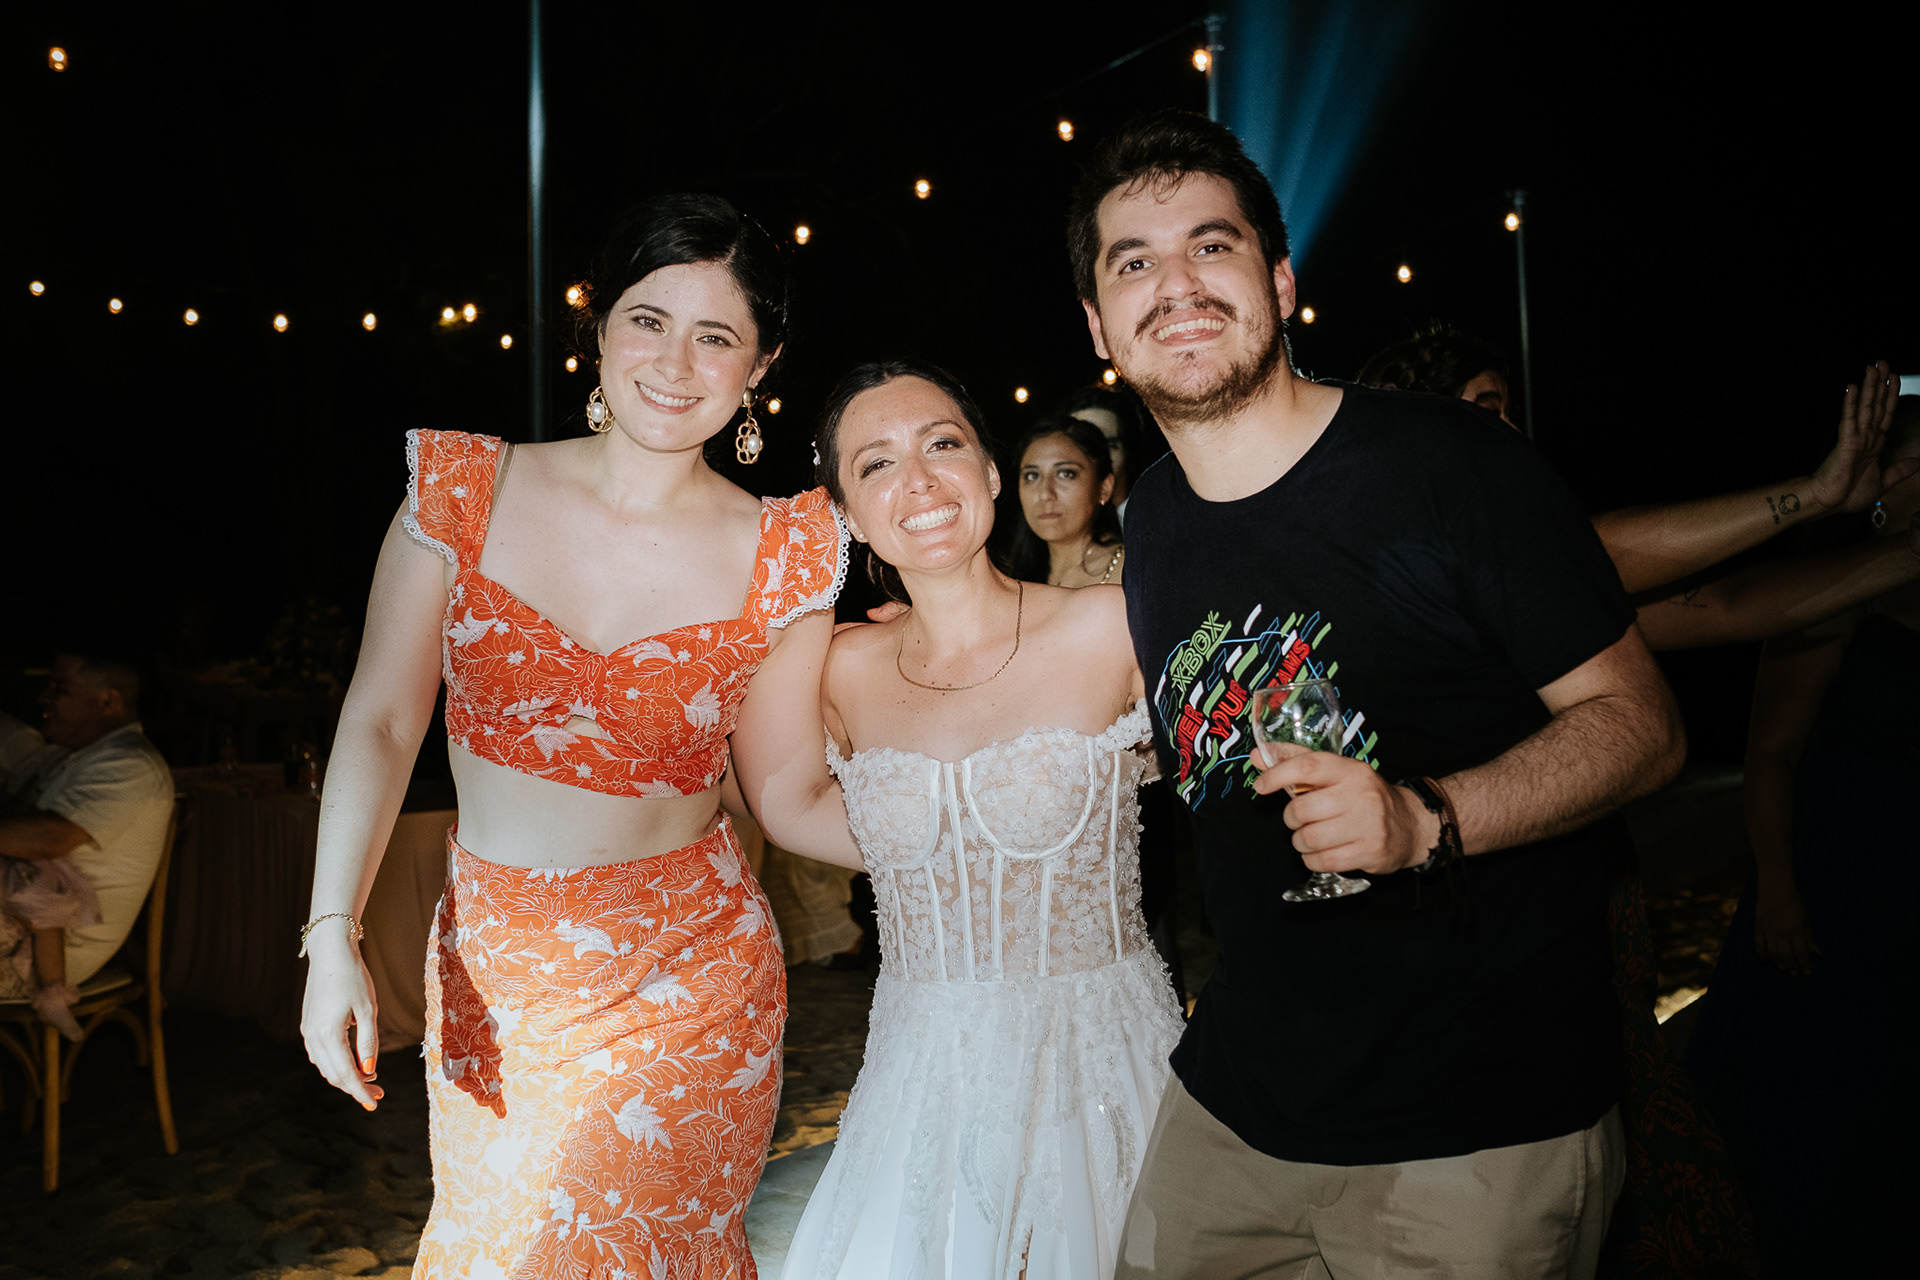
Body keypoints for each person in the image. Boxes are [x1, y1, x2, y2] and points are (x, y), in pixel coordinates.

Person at [1066, 110, 1686, 1278]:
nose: (1177, 285)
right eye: (1133, 262)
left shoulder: (1452, 461)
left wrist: (1424, 817)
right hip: (1241, 1098)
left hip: (1475, 1121)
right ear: (1100, 325)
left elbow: (1643, 727)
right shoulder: (1152, 520)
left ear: (1280, 281)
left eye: (1212, 245)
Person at [298, 194, 847, 1278]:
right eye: (648, 319)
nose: (674, 362)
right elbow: (382, 720)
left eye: (716, 335)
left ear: (761, 365)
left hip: (691, 981)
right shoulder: (460, 492)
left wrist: (986, 825)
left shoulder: (788, 551)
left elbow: (784, 794)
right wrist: (331, 937)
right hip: (497, 974)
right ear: (597, 326)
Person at [733, 361, 1183, 1279]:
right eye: (876, 464)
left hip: (1105, 1062)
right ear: (845, 514)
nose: (920, 480)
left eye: (942, 445)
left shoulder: (1112, 624)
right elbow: (780, 802)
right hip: (922, 1081)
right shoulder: (839, 667)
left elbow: (1244, 777)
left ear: (987, 472)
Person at [1684, 409, 1920, 1274]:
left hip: (1911, 880)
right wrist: (1779, 888)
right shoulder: (1831, 590)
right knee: (1808, 1104)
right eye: (1914, 465)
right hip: (1837, 873)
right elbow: (1770, 757)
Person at [1358, 324, 1919, 648]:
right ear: (1417, 432)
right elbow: (1589, 552)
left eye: (1509, 413)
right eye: (1487, 412)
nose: (1514, 436)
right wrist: (1814, 494)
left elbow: (1730, 605)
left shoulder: (1532, 589)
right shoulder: (1393, 577)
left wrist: (1909, 552)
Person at [0, 654, 172, 1039]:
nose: (44, 697)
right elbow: (15, 745)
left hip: (46, 957)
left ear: (107, 702)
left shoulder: (129, 765)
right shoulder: (77, 756)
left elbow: (49, 838)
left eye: (58, 689)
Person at [1008, 413, 1126, 586]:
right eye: (1032, 476)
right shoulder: (1010, 578)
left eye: (1065, 474)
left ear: (1104, 488)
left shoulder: (1132, 572)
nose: (1045, 494)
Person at [1051, 383, 1160, 527]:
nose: (1091, 458)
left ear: (1129, 454)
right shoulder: (1051, 524)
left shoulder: (1154, 524)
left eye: (1107, 446)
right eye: (1079, 446)